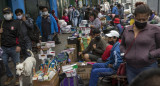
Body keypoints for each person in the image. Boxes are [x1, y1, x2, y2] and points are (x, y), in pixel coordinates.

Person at [120, 4, 160, 84]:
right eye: (139, 19)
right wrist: (124, 53)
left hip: (148, 67)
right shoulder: (127, 30)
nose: (141, 21)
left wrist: (151, 55)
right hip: (130, 68)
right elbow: (122, 44)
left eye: (144, 19)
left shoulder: (155, 30)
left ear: (148, 17)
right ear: (134, 16)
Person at [0, 7, 21, 86]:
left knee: (17, 64)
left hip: (14, 47)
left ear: (12, 14)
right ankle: (9, 76)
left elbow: (20, 35)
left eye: (8, 13)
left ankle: (18, 77)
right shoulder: (2, 23)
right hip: (4, 48)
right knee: (4, 63)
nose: (6, 15)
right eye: (5, 14)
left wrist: (19, 45)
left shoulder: (16, 22)